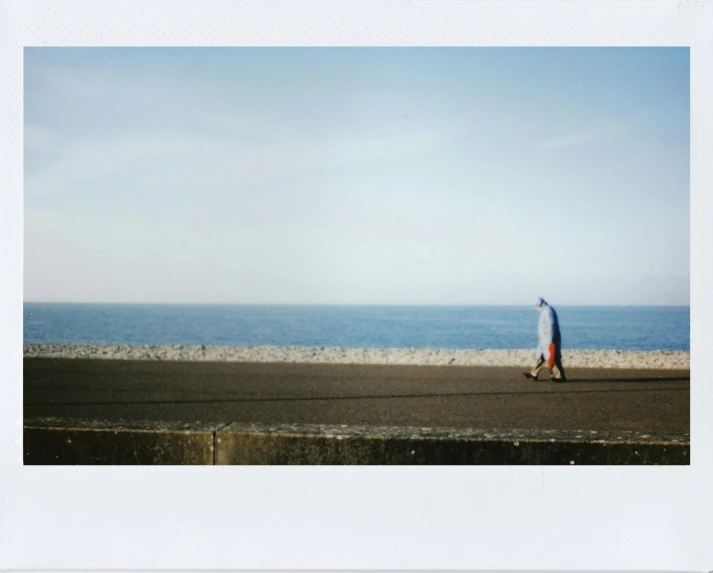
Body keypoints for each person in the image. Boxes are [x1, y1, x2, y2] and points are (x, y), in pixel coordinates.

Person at [523, 297, 567, 381]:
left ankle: (559, 376)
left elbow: (551, 326)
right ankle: (534, 373)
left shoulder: (548, 311)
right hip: (545, 339)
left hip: (548, 339)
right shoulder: (546, 310)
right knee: (543, 357)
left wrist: (550, 340)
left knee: (552, 357)